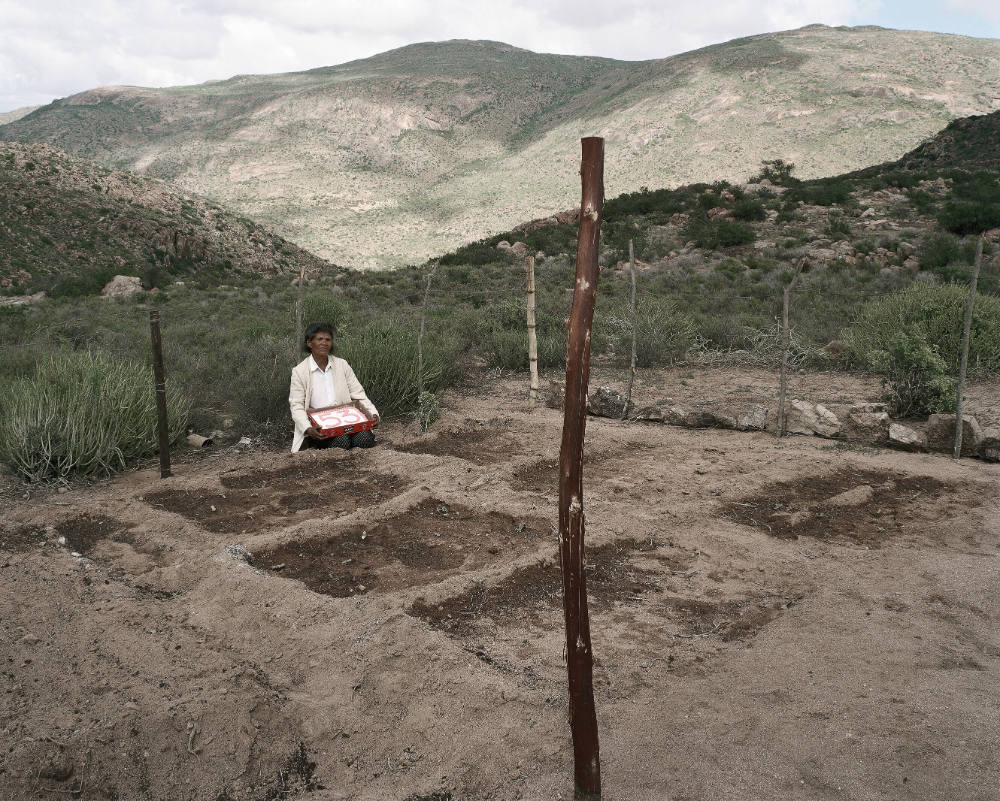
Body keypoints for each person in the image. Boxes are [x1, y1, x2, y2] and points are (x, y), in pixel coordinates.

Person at [289, 322, 379, 453]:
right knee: (340, 442)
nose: (324, 343)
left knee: (365, 439)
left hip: (348, 420)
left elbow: (358, 394)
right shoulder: (299, 371)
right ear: (309, 343)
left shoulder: (342, 365)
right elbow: (296, 405)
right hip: (320, 426)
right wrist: (308, 428)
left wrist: (373, 414)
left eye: (328, 340)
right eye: (320, 339)